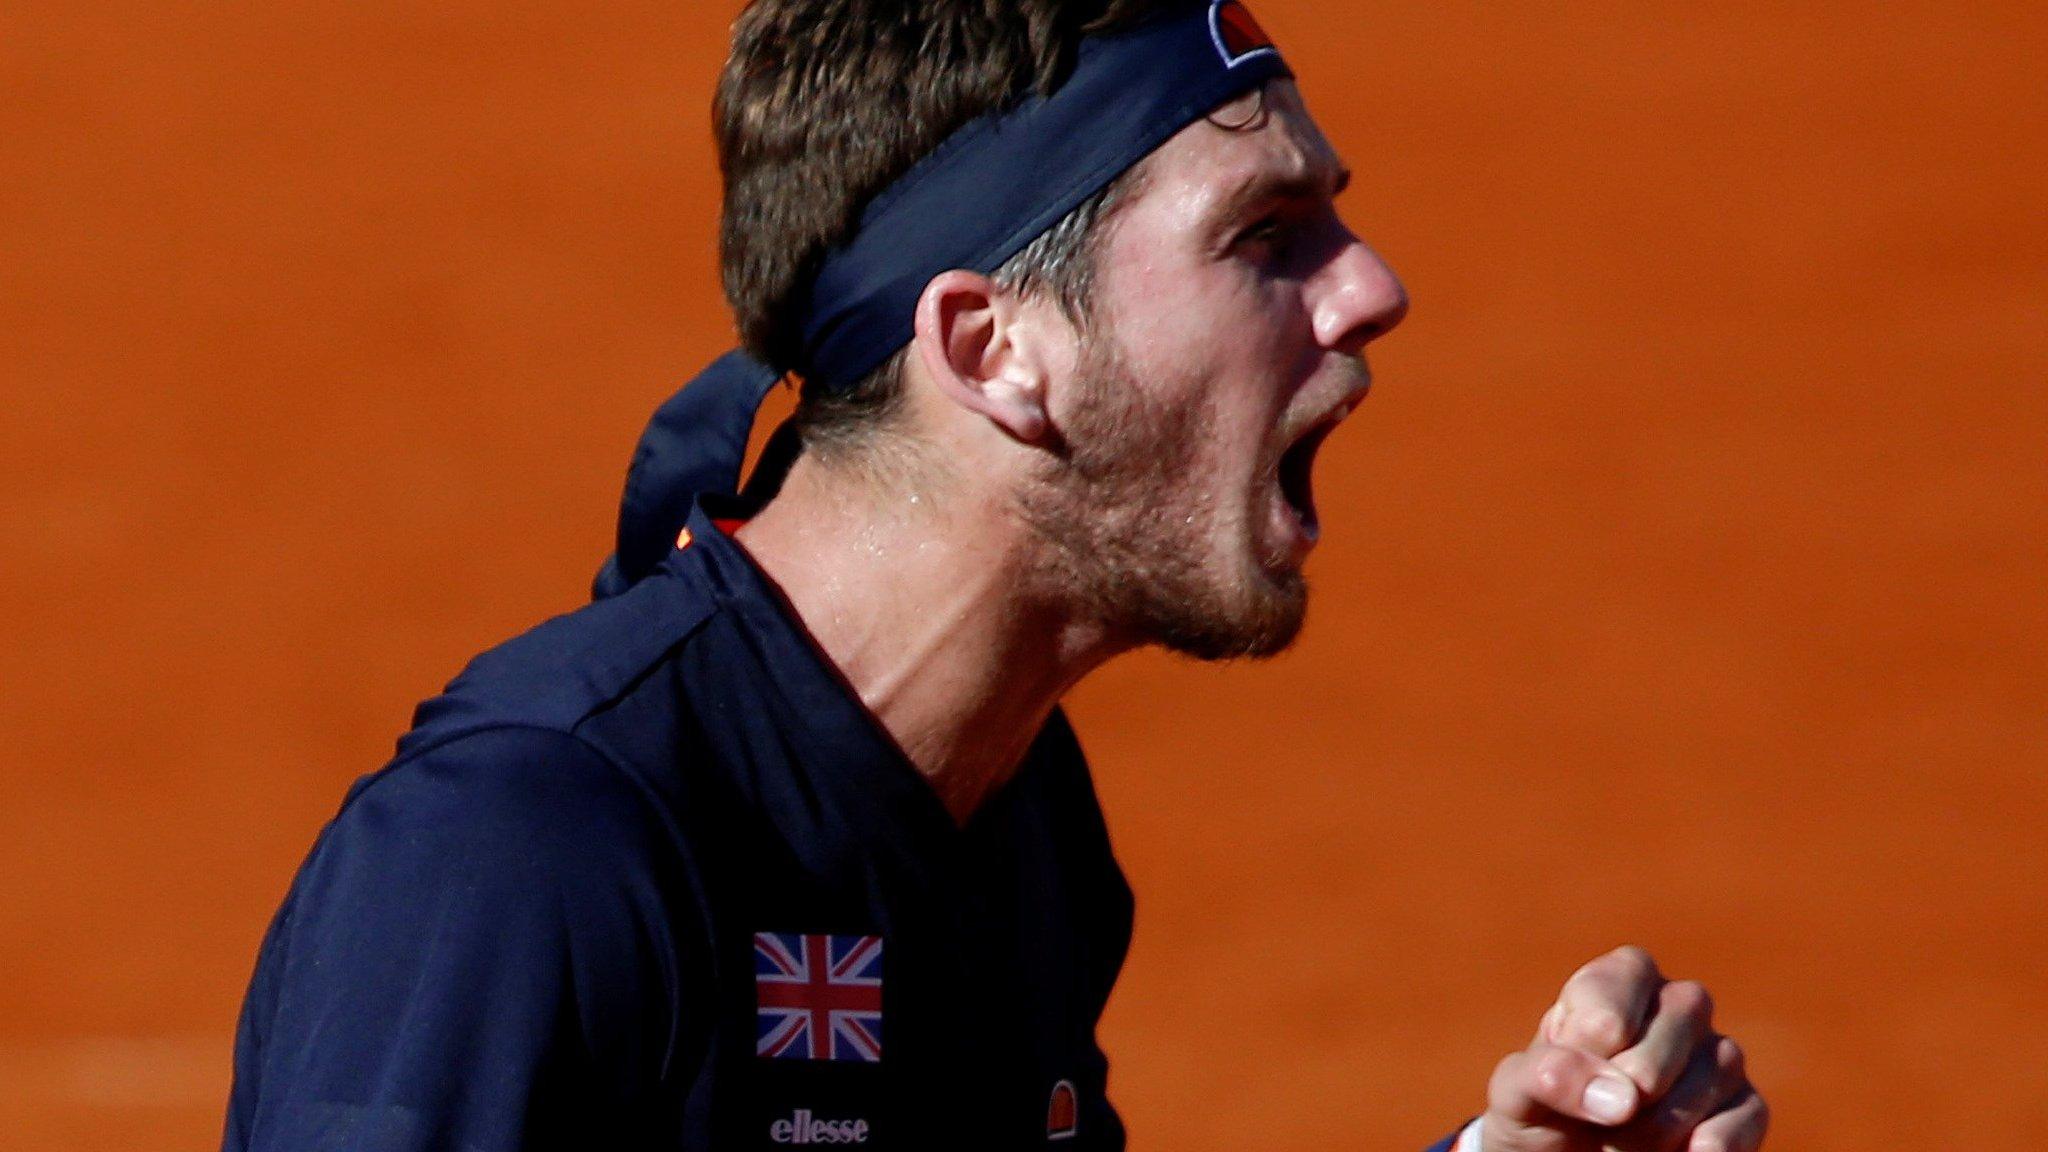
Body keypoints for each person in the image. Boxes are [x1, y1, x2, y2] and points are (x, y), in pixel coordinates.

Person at [222, 2, 1769, 1150]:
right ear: (993, 351)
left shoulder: (1007, 813)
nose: (1371, 287)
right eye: (1267, 234)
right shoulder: (528, 858)